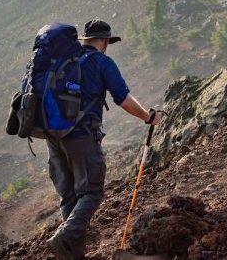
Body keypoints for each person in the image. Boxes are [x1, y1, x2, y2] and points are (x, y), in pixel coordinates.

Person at [45, 19, 164, 260]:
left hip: (52, 135)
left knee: (70, 196)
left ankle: (72, 255)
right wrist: (148, 117)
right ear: (103, 41)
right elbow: (123, 99)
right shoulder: (101, 62)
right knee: (91, 193)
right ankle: (65, 238)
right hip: (81, 136)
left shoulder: (63, 61)